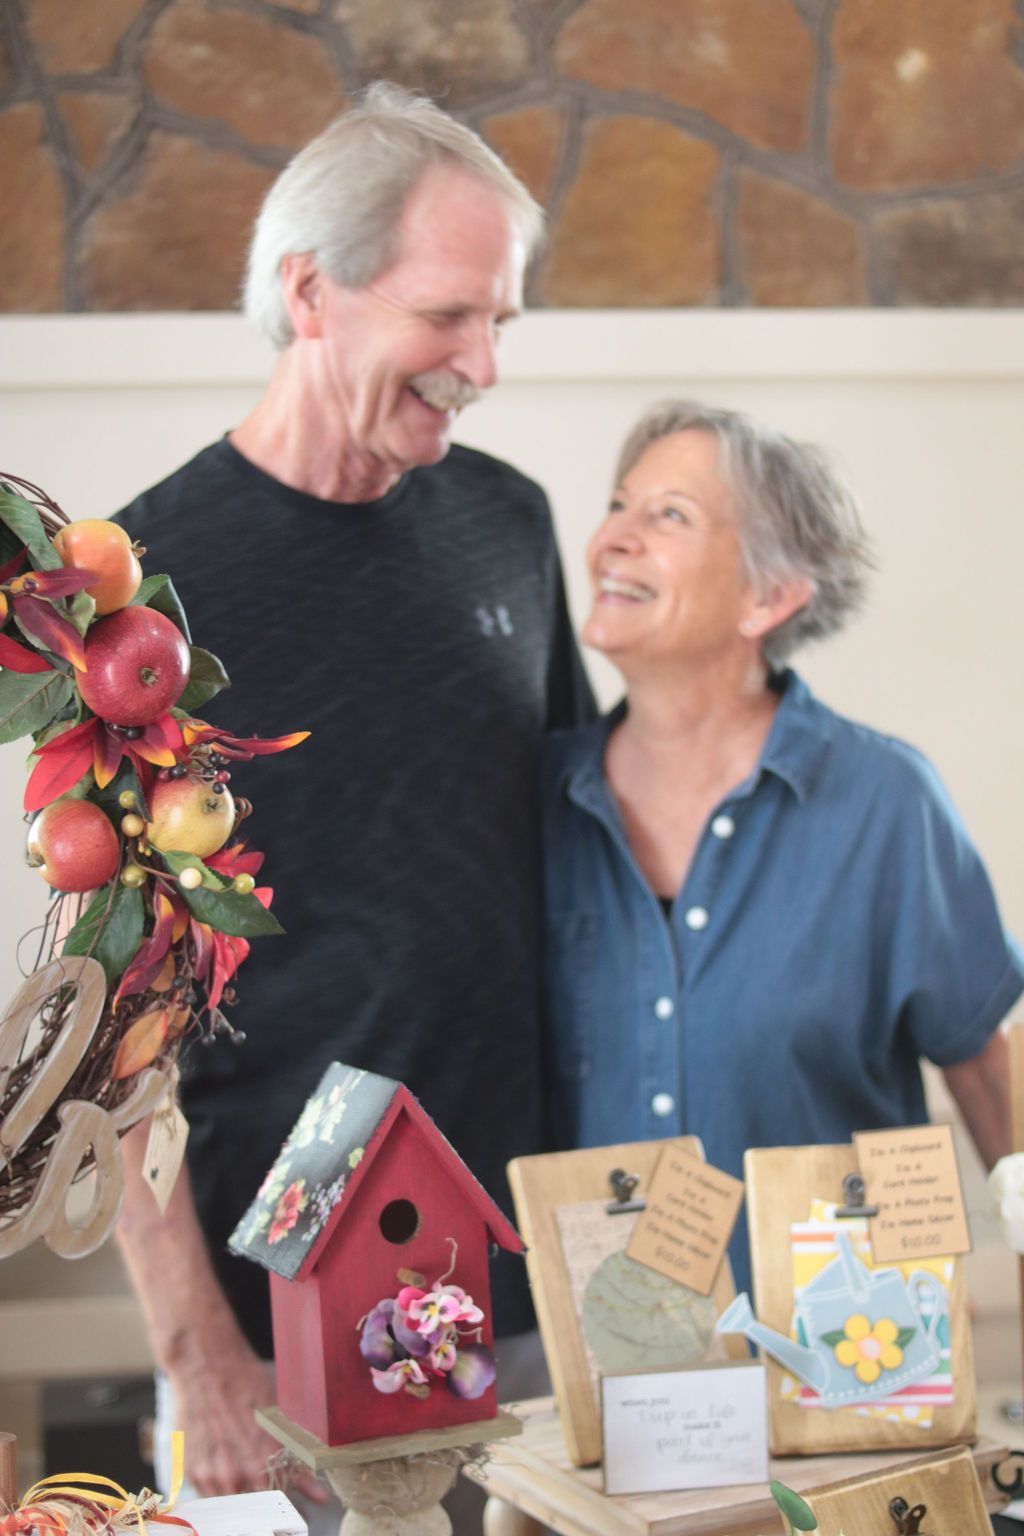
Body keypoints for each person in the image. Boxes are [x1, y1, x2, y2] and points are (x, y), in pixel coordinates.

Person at [112, 84, 592, 1520]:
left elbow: (578, 871)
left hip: (523, 1301)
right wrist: (198, 1355)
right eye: (453, 315)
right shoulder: (145, 594)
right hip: (279, 1330)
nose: (485, 365)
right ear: (312, 291)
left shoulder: (509, 526)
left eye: (503, 323)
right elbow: (112, 1030)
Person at [542, 400, 1022, 1294]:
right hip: (613, 1379)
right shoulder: (541, 801)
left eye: (669, 516)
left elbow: (988, 1073)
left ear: (770, 595)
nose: (613, 538)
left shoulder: (885, 802)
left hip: (852, 1357)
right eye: (619, 503)